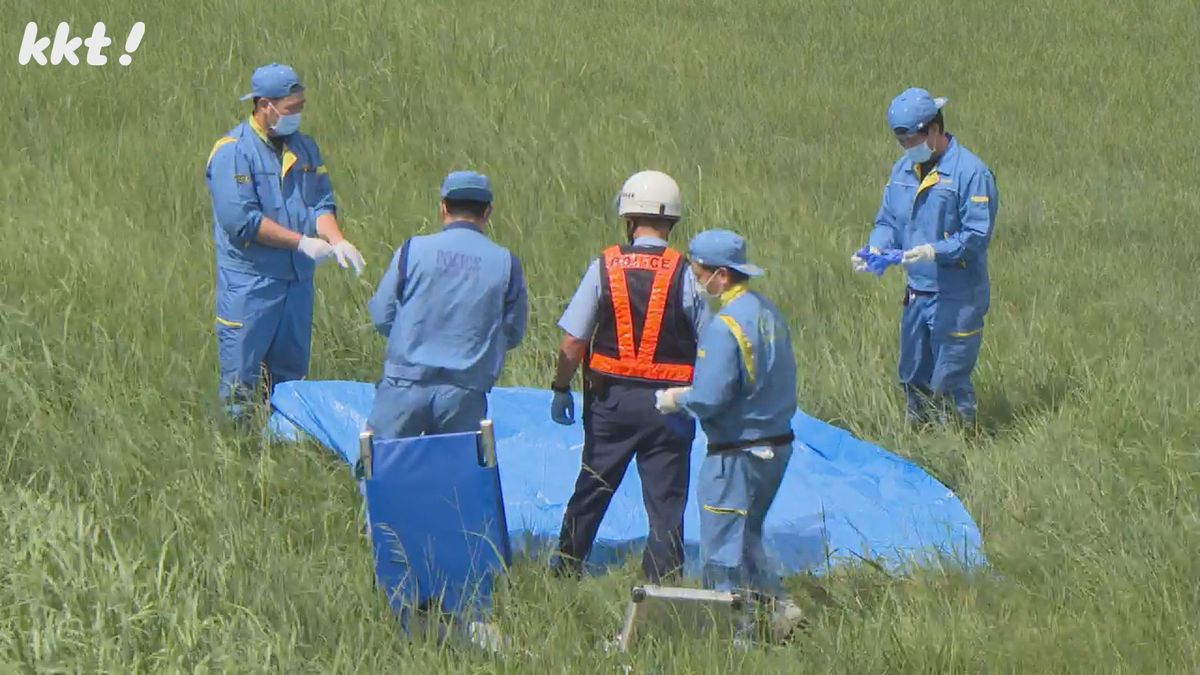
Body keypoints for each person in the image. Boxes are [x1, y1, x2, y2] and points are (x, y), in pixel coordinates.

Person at [548, 170, 710, 583]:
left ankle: (565, 571)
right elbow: (713, 342)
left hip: (612, 404)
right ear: (672, 221)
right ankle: (662, 589)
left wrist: (561, 387)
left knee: (593, 488)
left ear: (628, 219)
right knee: (666, 502)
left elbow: (573, 342)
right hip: (672, 405)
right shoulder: (687, 273)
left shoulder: (605, 266)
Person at [654, 229, 805, 644]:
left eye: (698, 272)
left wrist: (673, 399)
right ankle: (777, 606)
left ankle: (732, 639)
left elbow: (709, 397)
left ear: (721, 275)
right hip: (777, 443)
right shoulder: (767, 312)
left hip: (735, 452)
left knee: (721, 548)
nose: (696, 279)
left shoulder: (725, 328)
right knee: (748, 534)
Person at [205, 63, 365, 419]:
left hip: (297, 285)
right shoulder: (233, 152)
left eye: (300, 107)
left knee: (291, 382)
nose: (297, 115)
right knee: (240, 384)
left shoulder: (305, 149)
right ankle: (238, 450)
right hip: (251, 286)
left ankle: (284, 449)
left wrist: (337, 240)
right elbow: (241, 222)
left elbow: (320, 202)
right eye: (291, 109)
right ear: (265, 106)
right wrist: (300, 243)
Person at [853, 87, 1000, 429]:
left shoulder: (971, 174)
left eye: (913, 140)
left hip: (956, 296)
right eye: (902, 143)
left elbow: (977, 236)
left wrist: (935, 250)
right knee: (912, 376)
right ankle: (917, 440)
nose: (908, 150)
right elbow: (888, 220)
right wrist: (875, 247)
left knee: (950, 381)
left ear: (934, 129)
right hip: (917, 294)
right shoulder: (903, 170)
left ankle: (959, 447)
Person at [366, 171, 528, 439]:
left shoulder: (412, 251)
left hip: (403, 385)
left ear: (443, 208)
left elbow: (382, 316)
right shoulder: (506, 263)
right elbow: (513, 332)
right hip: (464, 393)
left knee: (383, 467)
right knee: (455, 475)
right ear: (488, 212)